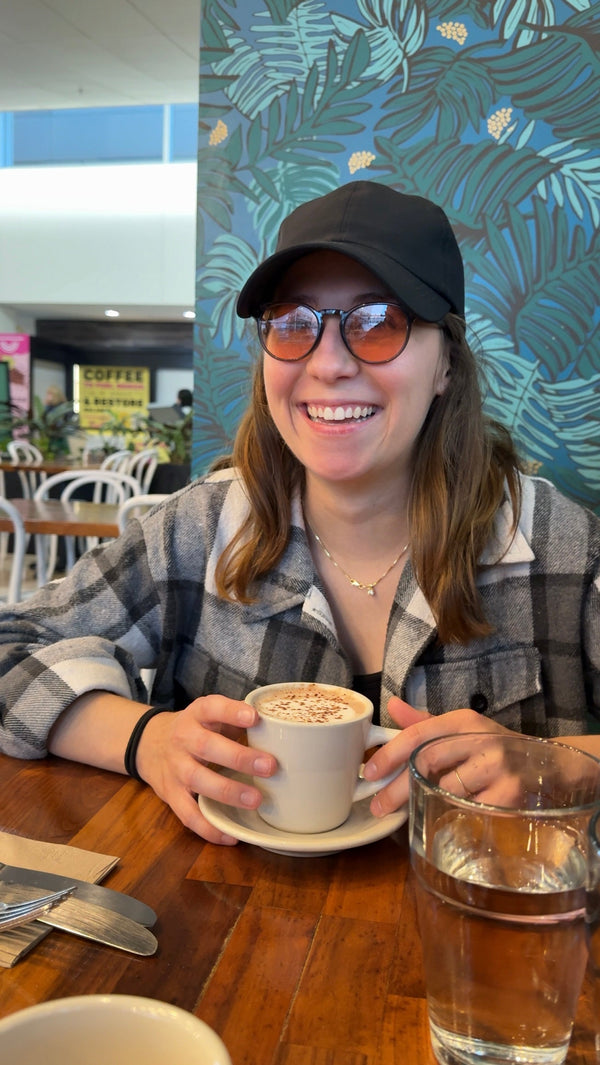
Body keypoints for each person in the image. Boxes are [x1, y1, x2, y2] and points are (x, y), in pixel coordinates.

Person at [0, 181, 598, 845]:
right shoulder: (199, 530)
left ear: (446, 367)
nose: (329, 363)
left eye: (378, 322)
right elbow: (9, 645)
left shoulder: (557, 546)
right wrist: (146, 737)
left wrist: (562, 764)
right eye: (293, 324)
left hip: (479, 932)